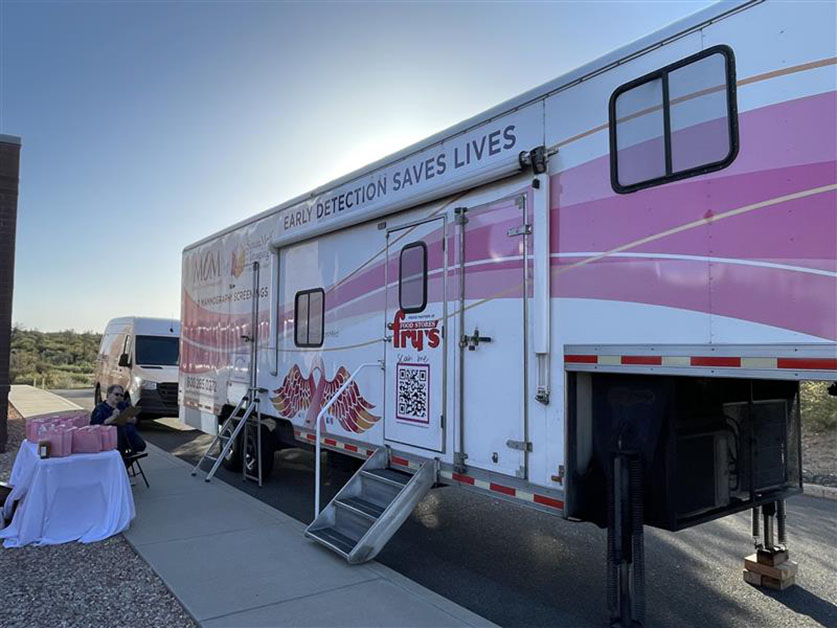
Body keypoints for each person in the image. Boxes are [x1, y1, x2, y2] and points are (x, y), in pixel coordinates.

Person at [90, 384, 146, 454]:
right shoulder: (100, 409)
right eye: (116, 394)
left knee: (140, 446)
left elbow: (134, 419)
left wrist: (132, 419)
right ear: (109, 394)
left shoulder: (123, 405)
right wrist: (113, 418)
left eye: (121, 395)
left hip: (129, 436)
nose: (119, 397)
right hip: (111, 440)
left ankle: (125, 460)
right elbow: (95, 426)